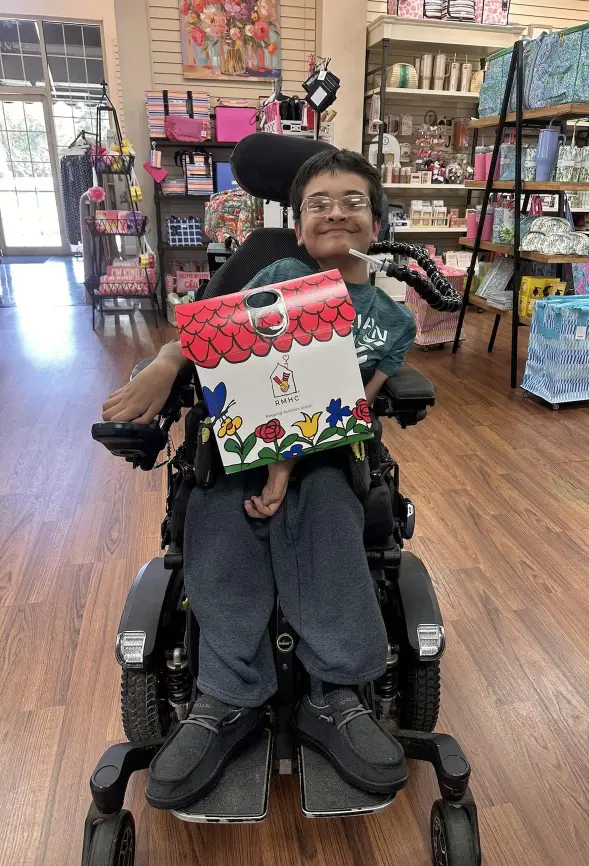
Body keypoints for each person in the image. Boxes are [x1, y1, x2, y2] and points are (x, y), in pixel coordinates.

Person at [102, 149, 416, 810]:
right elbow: (212, 335)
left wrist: (290, 463)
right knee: (220, 508)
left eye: (353, 201)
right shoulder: (277, 275)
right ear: (298, 227)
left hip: (327, 446)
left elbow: (354, 406)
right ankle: (226, 696)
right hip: (244, 438)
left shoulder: (392, 321)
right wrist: (165, 362)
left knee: (325, 504)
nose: (335, 212)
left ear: (378, 220)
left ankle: (334, 695)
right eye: (318, 203)